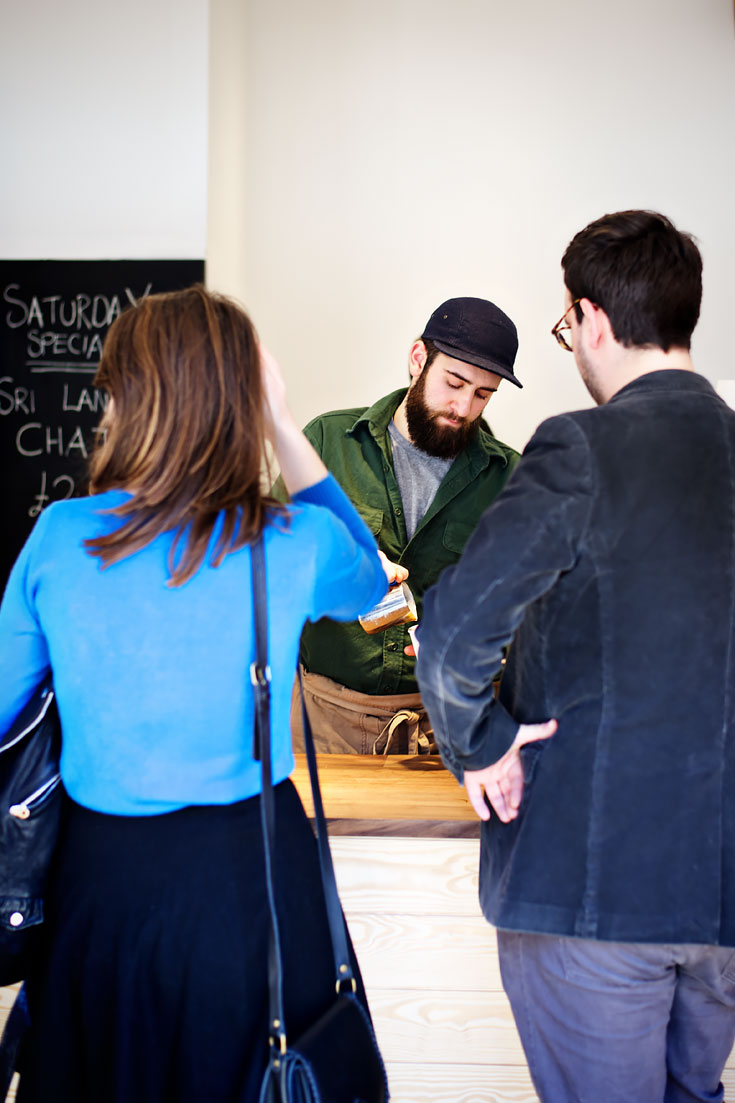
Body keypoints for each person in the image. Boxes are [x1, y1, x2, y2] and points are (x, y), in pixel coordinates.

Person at [0, 285, 388, 1103]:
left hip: (103, 884)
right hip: (256, 875)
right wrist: (282, 421)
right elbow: (368, 582)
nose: (105, 413)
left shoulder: (59, 537)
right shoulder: (290, 538)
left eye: (112, 392)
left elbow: (4, 713)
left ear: (137, 402)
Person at [416, 210, 735, 1103]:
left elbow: (452, 637)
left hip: (590, 893)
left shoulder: (581, 445)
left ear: (590, 317)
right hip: (721, 902)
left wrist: (481, 744)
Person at [275, 296, 521, 754]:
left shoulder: (509, 478)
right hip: (327, 720)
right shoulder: (328, 443)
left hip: (448, 728)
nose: (463, 407)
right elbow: (264, 560)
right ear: (417, 359)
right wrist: (342, 563)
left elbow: (526, 607)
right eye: (454, 383)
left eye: (483, 395)